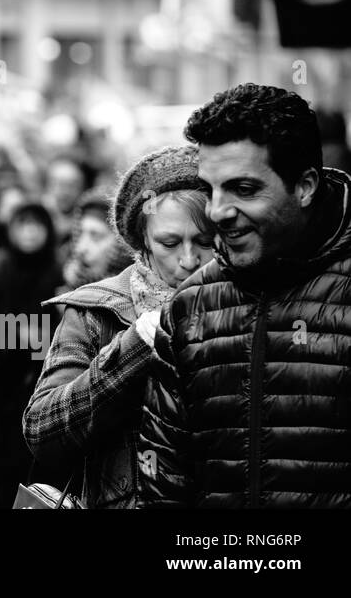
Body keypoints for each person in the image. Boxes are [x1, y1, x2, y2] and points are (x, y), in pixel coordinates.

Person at [140, 85, 351, 508]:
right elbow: (164, 482)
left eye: (243, 188)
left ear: (305, 186)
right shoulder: (190, 305)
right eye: (211, 189)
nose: (217, 210)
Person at [23, 146, 212, 508]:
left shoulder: (245, 305)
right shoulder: (98, 311)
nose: (189, 260)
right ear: (142, 244)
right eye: (169, 243)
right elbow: (42, 430)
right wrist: (137, 344)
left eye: (204, 242)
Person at [0, 199, 63, 507]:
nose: (29, 233)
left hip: (42, 379)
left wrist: (37, 339)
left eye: (36, 225)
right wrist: (14, 334)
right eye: (22, 225)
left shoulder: (57, 271)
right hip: (3, 382)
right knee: (3, 462)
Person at [61, 188, 133, 291]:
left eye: (96, 236)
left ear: (122, 245)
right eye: (80, 233)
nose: (80, 248)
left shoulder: (136, 298)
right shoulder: (58, 282)